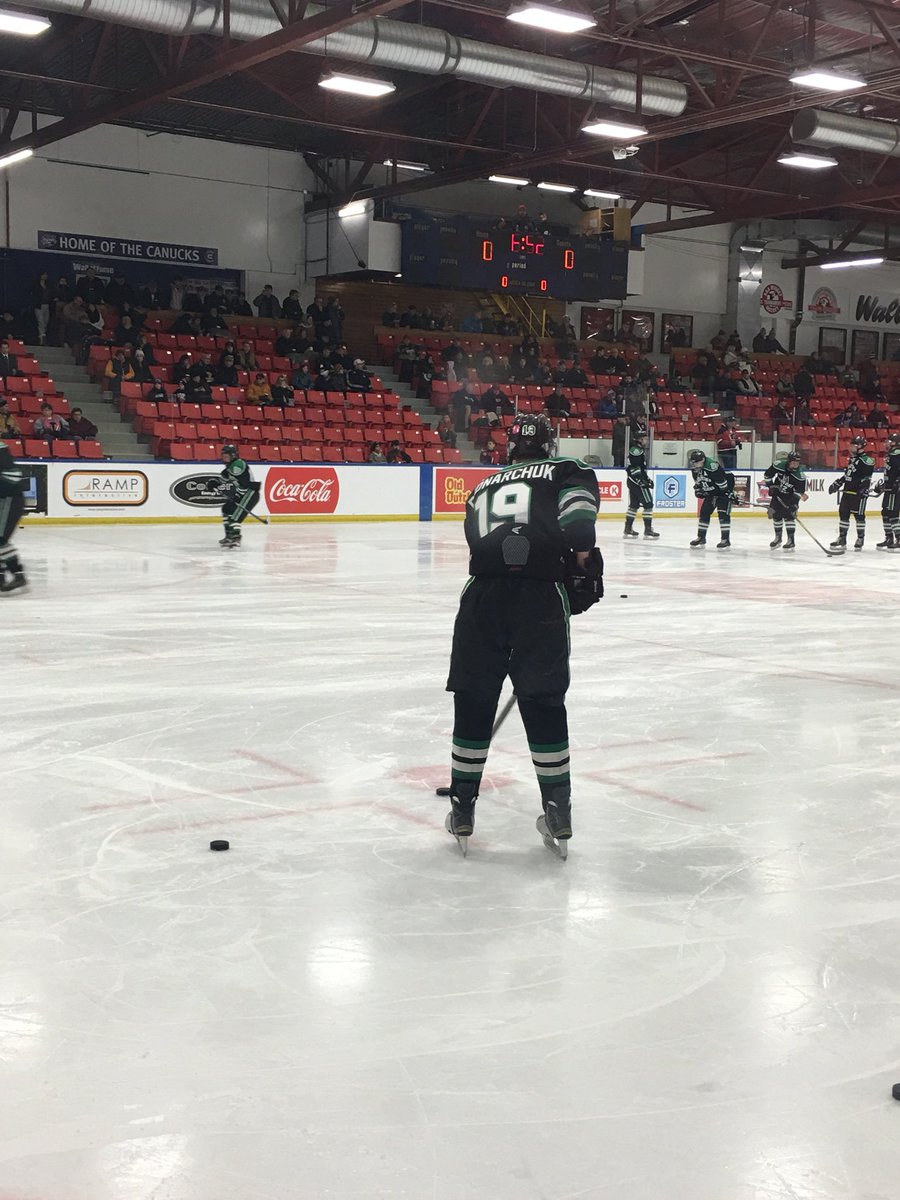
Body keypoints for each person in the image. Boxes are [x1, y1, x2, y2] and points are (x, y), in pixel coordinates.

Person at [443, 412, 602, 857]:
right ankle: (557, 811)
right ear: (549, 444)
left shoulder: (483, 485)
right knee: (544, 702)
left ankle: (462, 807)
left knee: (474, 698)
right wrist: (583, 563)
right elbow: (579, 526)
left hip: (482, 598)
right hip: (540, 600)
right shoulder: (569, 469)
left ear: (509, 448)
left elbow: (479, 540)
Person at [829, 435, 874, 551]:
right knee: (843, 514)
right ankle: (842, 538)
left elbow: (867, 477)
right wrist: (838, 483)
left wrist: (864, 488)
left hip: (858, 493)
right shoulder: (852, 459)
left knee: (859, 516)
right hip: (847, 492)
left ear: (860, 446)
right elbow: (848, 475)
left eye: (853, 445)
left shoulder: (867, 460)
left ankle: (860, 538)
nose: (851, 447)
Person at [687, 448, 735, 549]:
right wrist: (699, 489)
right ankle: (701, 537)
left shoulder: (712, 467)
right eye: (693, 462)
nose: (694, 464)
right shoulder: (695, 469)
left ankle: (725, 539)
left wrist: (728, 493)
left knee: (723, 514)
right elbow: (699, 482)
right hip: (712, 493)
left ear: (703, 460)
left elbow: (722, 483)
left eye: (696, 462)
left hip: (723, 491)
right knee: (704, 512)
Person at [215, 444, 259, 548]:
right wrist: (214, 483)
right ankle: (229, 535)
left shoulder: (238, 464)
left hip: (250, 493)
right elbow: (223, 479)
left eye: (227, 456)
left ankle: (236, 537)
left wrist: (219, 481)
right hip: (242, 494)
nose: (224, 458)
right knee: (227, 509)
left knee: (235, 517)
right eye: (223, 456)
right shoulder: (229, 467)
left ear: (233, 455)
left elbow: (233, 473)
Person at [0, 436, 28, 593]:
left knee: (0, 539)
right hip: (5, 499)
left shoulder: (1, 449)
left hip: (9, 499)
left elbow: (13, 475)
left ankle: (18, 574)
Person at [763, 451, 807, 551]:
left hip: (790, 496)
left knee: (789, 517)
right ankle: (778, 538)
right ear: (788, 461)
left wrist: (793, 504)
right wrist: (771, 487)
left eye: (797, 463)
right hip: (777, 494)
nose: (796, 465)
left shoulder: (800, 476)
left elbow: (799, 492)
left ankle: (791, 540)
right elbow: (767, 475)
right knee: (776, 516)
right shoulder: (779, 465)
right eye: (794, 462)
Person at [623, 430, 659, 539]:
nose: (647, 440)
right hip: (637, 482)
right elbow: (635, 468)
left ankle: (628, 528)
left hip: (633, 481)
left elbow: (639, 467)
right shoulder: (636, 450)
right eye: (645, 438)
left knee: (634, 505)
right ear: (639, 439)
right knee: (648, 504)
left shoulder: (637, 449)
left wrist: (647, 478)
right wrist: (641, 480)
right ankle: (648, 529)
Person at [873, 431, 900, 550]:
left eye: (890, 441)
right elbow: (891, 473)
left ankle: (899, 538)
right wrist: (883, 485)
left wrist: (897, 483)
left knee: (892, 513)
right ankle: (889, 537)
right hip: (889, 488)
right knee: (885, 512)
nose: (887, 443)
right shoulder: (891, 454)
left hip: (895, 489)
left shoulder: (897, 453)